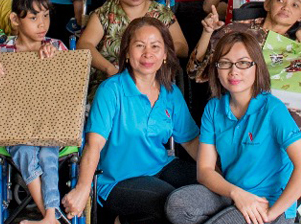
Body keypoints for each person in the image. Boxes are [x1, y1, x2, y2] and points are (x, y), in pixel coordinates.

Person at [164, 31, 301, 224]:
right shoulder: (213, 108)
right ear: (216, 68)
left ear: (257, 67)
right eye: (225, 63)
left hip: (267, 202)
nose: (234, 71)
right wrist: (236, 193)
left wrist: (271, 214)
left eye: (243, 63)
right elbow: (204, 171)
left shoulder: (272, 109)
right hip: (233, 194)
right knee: (177, 205)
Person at [64, 18, 201, 224]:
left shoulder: (170, 93)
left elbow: (190, 141)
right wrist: (83, 189)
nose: (148, 53)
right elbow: (94, 145)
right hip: (117, 180)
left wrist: (217, 174)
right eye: (139, 46)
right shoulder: (111, 90)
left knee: (205, 188)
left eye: (155, 46)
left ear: (164, 54)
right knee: (173, 201)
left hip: (159, 167)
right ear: (127, 52)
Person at [0, 0, 75, 224]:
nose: (42, 24)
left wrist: (55, 64)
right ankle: (51, 216)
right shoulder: (2, 53)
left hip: (50, 126)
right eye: (33, 18)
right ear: (15, 20)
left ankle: (49, 217)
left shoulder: (57, 47)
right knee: (24, 150)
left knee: (47, 153)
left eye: (45, 16)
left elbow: (69, 95)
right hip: (15, 128)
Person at [79, 0, 182, 75]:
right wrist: (109, 69)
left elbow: (182, 46)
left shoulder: (162, 13)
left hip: (153, 79)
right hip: (110, 82)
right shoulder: (105, 13)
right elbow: (84, 45)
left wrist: (154, 55)